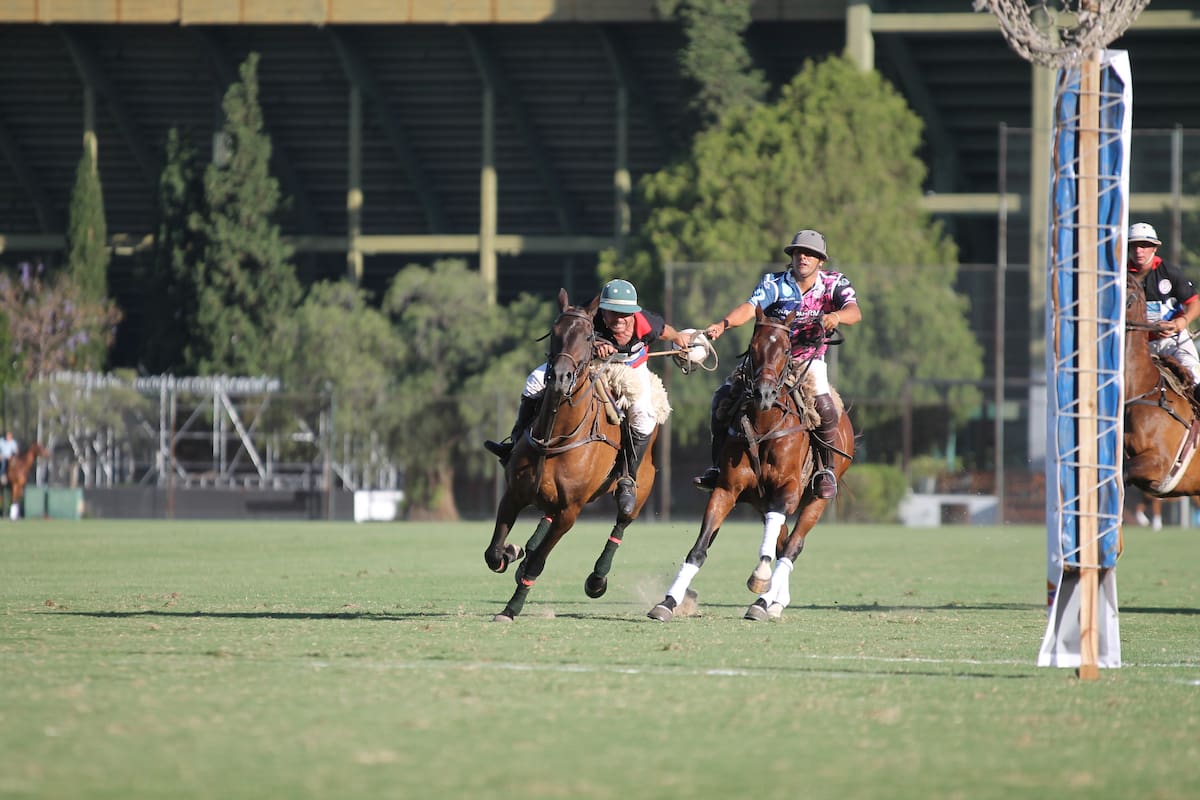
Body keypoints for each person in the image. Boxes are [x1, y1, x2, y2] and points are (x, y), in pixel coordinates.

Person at [484, 279, 692, 515]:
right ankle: (515, 443)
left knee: (644, 415)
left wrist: (679, 339)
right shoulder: (588, 318)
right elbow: (571, 338)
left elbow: (665, 331)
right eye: (614, 313)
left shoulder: (646, 322)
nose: (621, 319)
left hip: (632, 368)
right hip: (590, 364)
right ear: (602, 310)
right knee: (533, 381)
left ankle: (627, 478)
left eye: (626, 313)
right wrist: (597, 347)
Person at [692, 229, 861, 499]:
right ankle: (717, 466)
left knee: (825, 407)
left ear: (821, 261)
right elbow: (750, 307)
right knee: (722, 398)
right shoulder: (775, 283)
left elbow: (855, 312)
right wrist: (724, 324)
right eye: (798, 252)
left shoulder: (834, 284)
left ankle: (826, 470)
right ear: (791, 257)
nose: (803, 257)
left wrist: (837, 317)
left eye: (810, 254)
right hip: (768, 360)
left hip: (807, 360)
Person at [1127, 222, 1200, 402]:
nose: (1139, 251)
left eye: (1144, 245)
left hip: (1173, 341)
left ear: (1155, 248)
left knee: (1196, 379)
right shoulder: (1120, 276)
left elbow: (1194, 304)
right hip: (1137, 346)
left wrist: (1180, 323)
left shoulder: (1169, 272)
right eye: (1134, 245)